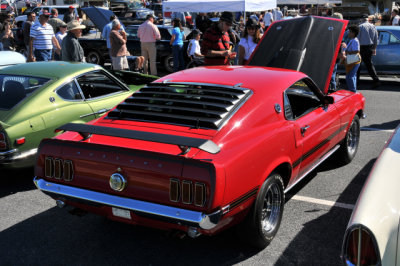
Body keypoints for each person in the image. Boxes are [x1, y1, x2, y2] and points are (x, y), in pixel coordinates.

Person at [357, 14, 380, 88]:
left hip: (361, 47)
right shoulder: (373, 26)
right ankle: (376, 80)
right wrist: (374, 49)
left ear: (361, 19)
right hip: (369, 47)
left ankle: (356, 82)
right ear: (367, 19)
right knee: (369, 65)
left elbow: (357, 40)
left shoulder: (360, 26)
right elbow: (376, 39)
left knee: (357, 65)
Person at [340, 25, 361, 92]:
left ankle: (352, 91)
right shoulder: (353, 40)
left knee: (349, 76)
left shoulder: (355, 40)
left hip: (354, 60)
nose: (348, 33)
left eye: (350, 32)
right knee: (352, 76)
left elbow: (357, 51)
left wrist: (346, 51)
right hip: (354, 60)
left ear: (353, 33)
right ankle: (353, 90)